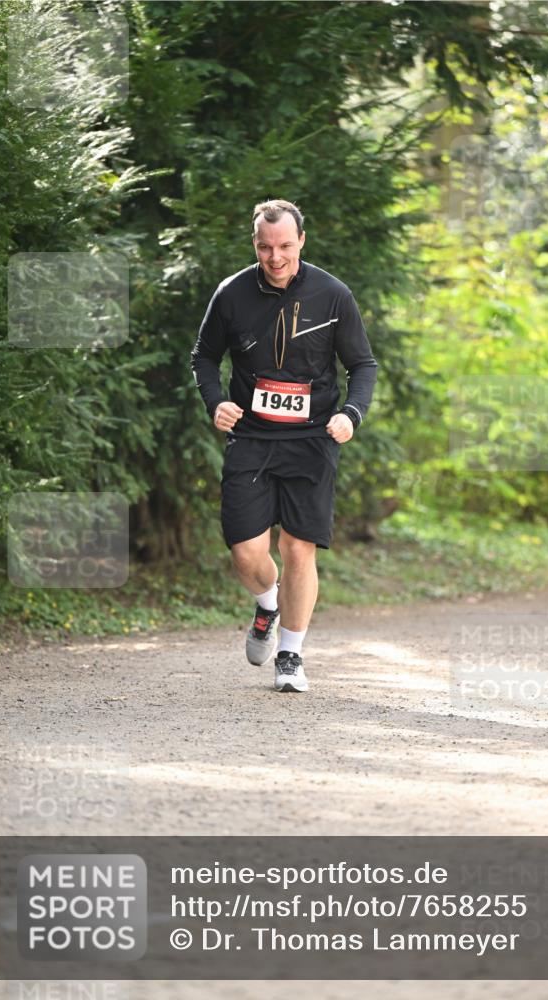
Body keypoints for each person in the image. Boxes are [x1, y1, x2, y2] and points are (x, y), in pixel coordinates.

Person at [190, 198, 377, 692]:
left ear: (302, 242)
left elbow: (362, 364)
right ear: (254, 244)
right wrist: (216, 402)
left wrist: (351, 414)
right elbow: (204, 356)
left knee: (298, 547)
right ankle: (267, 605)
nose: (275, 257)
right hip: (251, 435)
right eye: (265, 247)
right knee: (246, 552)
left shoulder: (332, 295)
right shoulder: (231, 293)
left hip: (312, 437)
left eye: (285, 247)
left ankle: (290, 655)